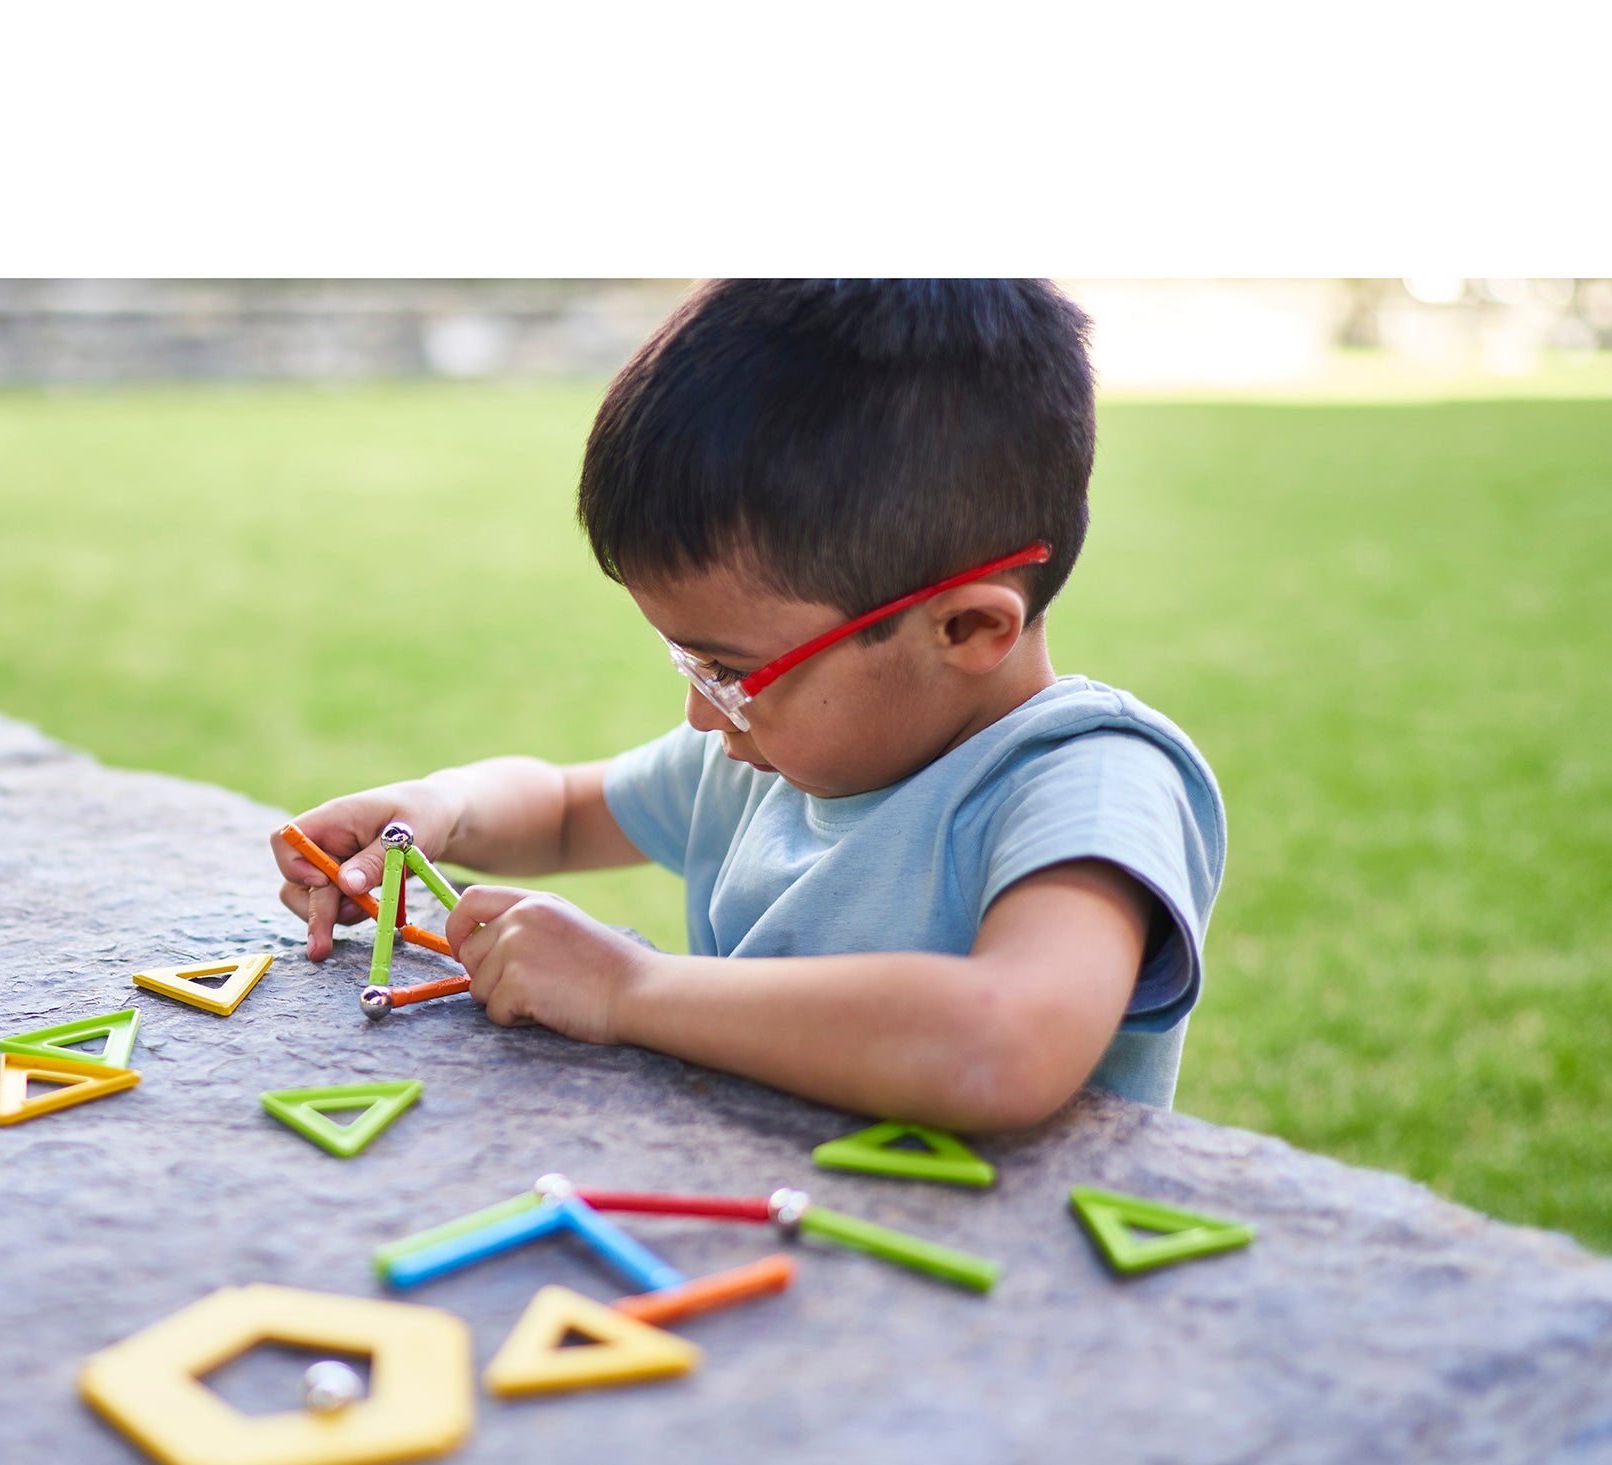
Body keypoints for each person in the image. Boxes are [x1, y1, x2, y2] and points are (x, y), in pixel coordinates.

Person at [271, 280, 1224, 1133]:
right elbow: (565, 810)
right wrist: (443, 809)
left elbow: (1005, 1042)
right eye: (684, 658)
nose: (700, 714)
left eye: (729, 667)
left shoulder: (1092, 783)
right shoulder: (771, 755)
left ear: (968, 630)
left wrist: (631, 989)